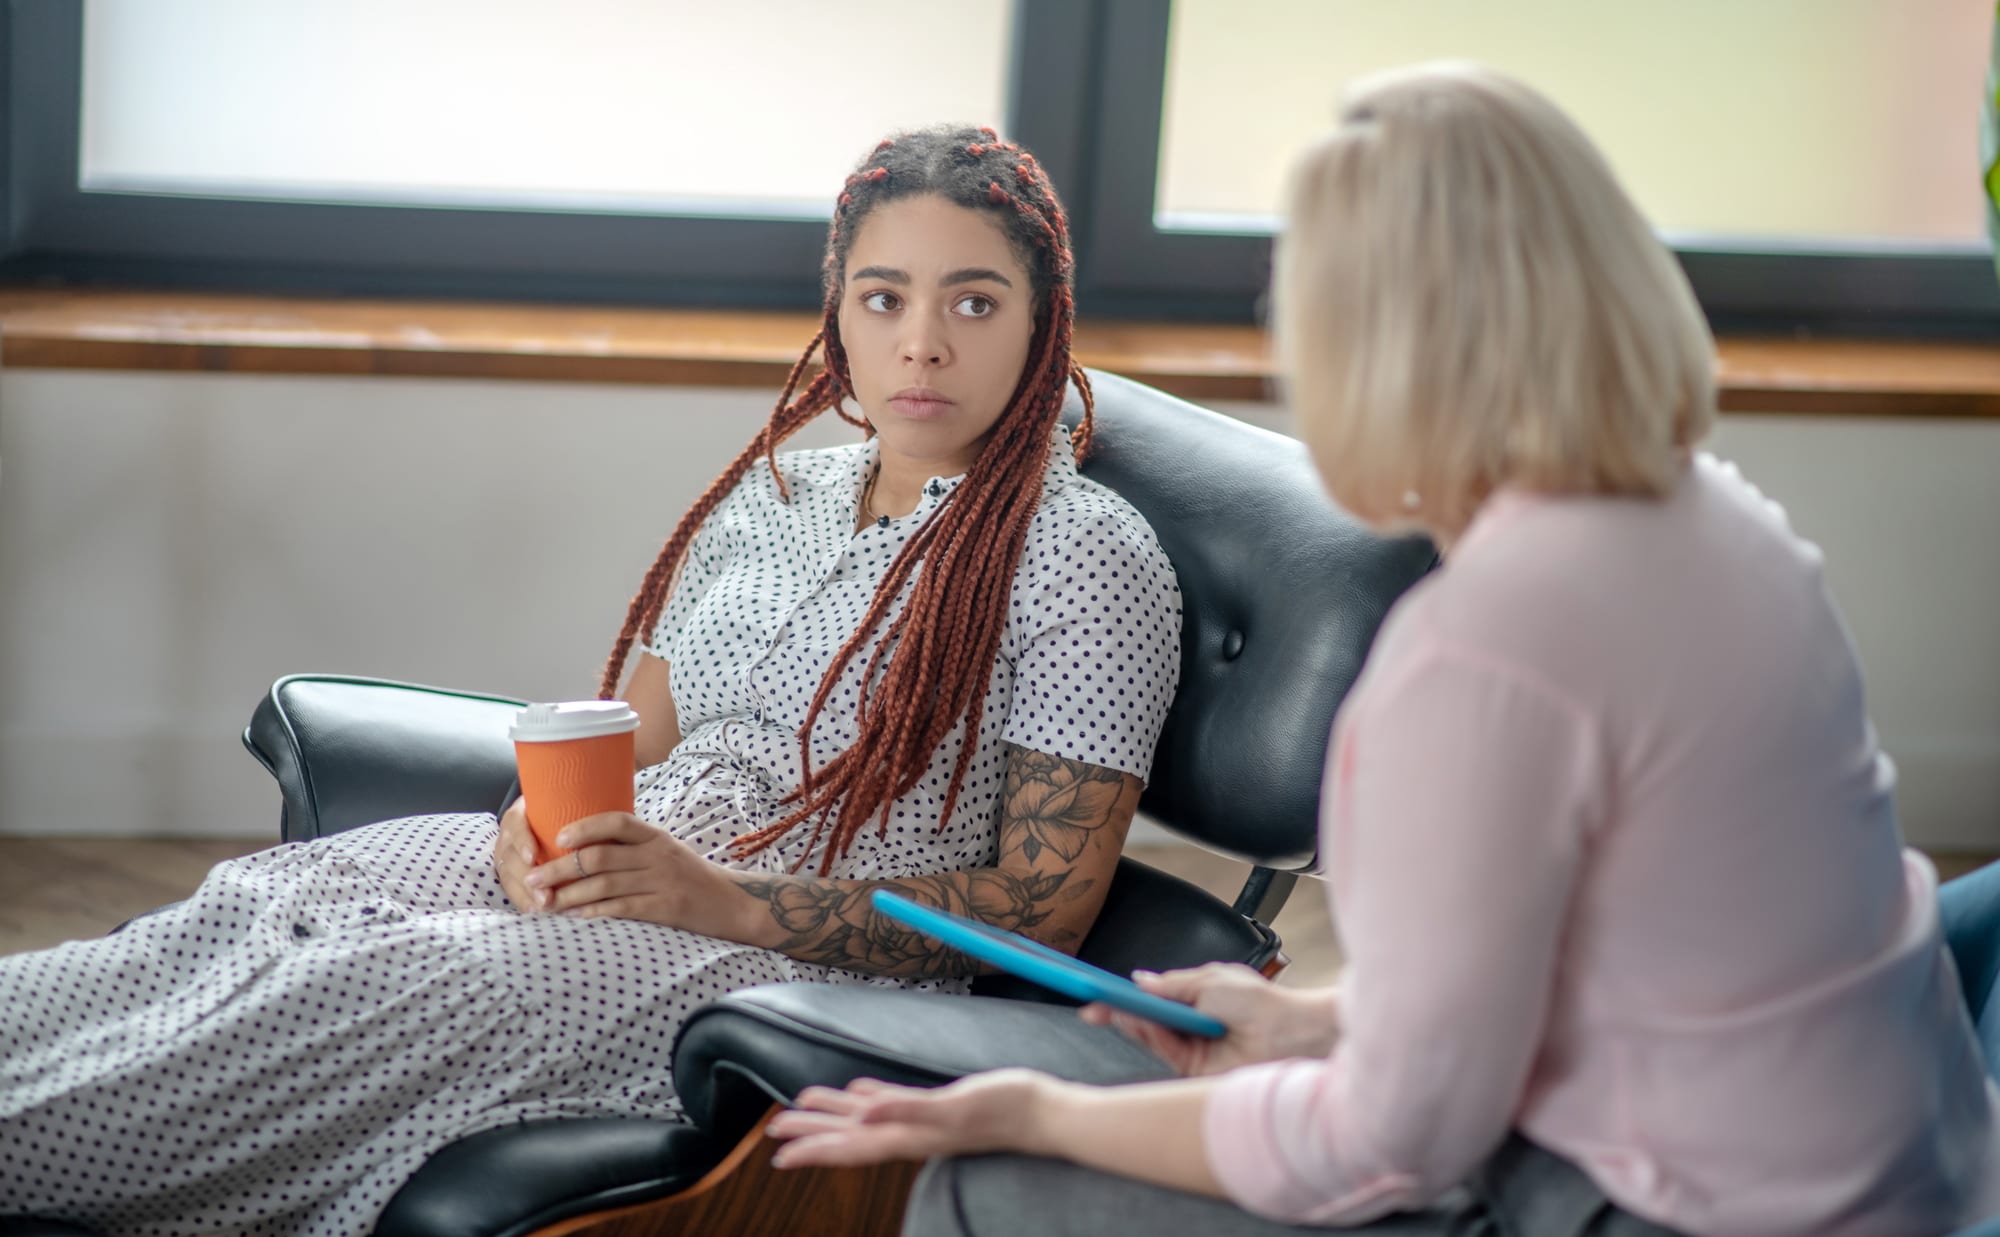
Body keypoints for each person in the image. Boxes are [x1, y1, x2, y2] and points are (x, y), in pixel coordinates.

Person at [767, 65, 2000, 1236]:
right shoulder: (1728, 526)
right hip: (1899, 1149)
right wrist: (1316, 1021)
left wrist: (1046, 1111)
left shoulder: (1475, 662)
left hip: (1698, 1205)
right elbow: (1628, 947)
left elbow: (1391, 1140)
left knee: (989, 1186)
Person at [0, 126, 1182, 1235]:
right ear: (839, 318)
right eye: (884, 298)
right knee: (268, 904)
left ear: (1042, 322)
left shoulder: (1081, 555)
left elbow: (1044, 912)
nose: (922, 342)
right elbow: (641, 737)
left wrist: (718, 898)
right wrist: (532, 823)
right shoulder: (777, 495)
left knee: (376, 989)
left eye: (973, 301)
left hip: (784, 958)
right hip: (629, 868)